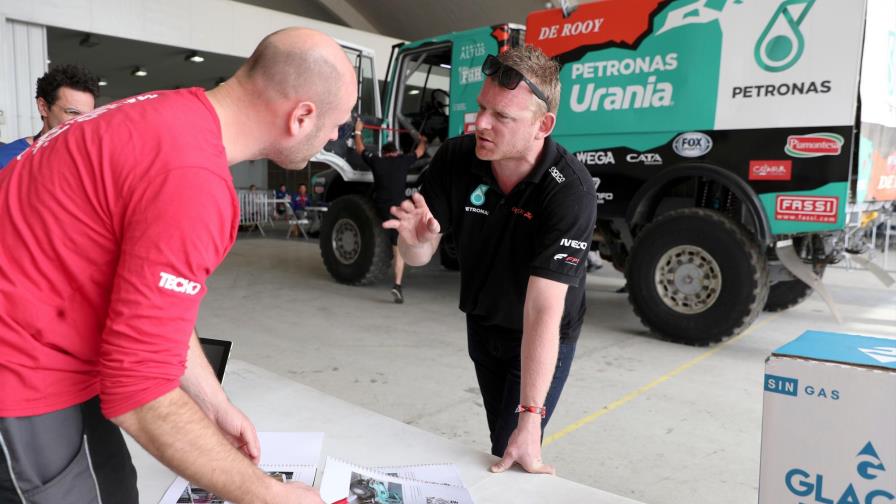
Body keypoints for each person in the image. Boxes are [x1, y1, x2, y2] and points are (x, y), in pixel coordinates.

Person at [0, 28, 357, 504]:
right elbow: (140, 392)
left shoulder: (165, 112)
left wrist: (214, 403)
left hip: (52, 347)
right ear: (301, 116)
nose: (336, 137)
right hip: (19, 372)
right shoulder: (193, 181)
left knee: (117, 490)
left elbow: (147, 303)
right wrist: (268, 495)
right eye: (338, 123)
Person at [384, 46, 596, 474]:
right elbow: (420, 254)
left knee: (516, 445)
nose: (480, 123)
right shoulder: (457, 158)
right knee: (501, 443)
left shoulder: (568, 191)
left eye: (502, 117)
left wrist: (531, 419)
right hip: (483, 324)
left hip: (540, 334)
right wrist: (414, 242)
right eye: (482, 108)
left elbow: (543, 308)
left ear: (543, 126)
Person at [354, 117, 427, 303]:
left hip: (380, 208)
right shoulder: (403, 160)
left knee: (379, 227)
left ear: (384, 153)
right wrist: (422, 140)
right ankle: (397, 285)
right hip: (398, 210)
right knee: (398, 250)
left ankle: (381, 246)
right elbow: (420, 151)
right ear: (395, 152)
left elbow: (360, 149)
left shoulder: (377, 161)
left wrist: (358, 131)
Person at [0, 64, 99, 168]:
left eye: (88, 116)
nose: (82, 122)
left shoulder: (93, 159)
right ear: (43, 107)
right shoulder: (7, 159)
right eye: (72, 112)